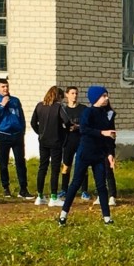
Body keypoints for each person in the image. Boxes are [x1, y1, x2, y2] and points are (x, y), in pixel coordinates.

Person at [58, 86, 116, 227]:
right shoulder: (88, 112)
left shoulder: (105, 114)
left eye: (107, 95)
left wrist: (109, 153)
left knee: (101, 186)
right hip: (85, 153)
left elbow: (109, 136)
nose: (106, 98)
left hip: (99, 155)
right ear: (96, 98)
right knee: (75, 183)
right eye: (103, 96)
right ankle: (63, 215)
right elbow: (84, 129)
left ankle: (107, 217)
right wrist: (102, 133)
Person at [0, 78, 32, 199]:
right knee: (3, 163)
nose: (5, 89)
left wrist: (22, 130)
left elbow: (21, 116)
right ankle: (6, 188)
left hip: (17, 135)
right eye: (3, 87)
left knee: (20, 162)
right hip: (4, 135)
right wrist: (2, 106)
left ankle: (23, 189)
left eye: (7, 86)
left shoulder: (15, 100)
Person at [31, 85, 66, 205]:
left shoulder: (39, 106)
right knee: (55, 169)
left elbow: (33, 122)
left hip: (43, 141)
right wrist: (64, 131)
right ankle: (54, 197)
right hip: (56, 141)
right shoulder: (58, 107)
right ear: (58, 96)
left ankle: (39, 196)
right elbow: (66, 121)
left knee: (42, 167)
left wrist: (40, 132)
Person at [59, 86, 89, 204]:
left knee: (83, 165)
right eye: (72, 93)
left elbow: (88, 125)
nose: (75, 96)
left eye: (76, 93)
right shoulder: (63, 110)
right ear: (67, 95)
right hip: (68, 141)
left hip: (81, 141)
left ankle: (84, 190)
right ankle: (64, 189)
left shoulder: (83, 109)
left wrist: (78, 127)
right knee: (66, 166)